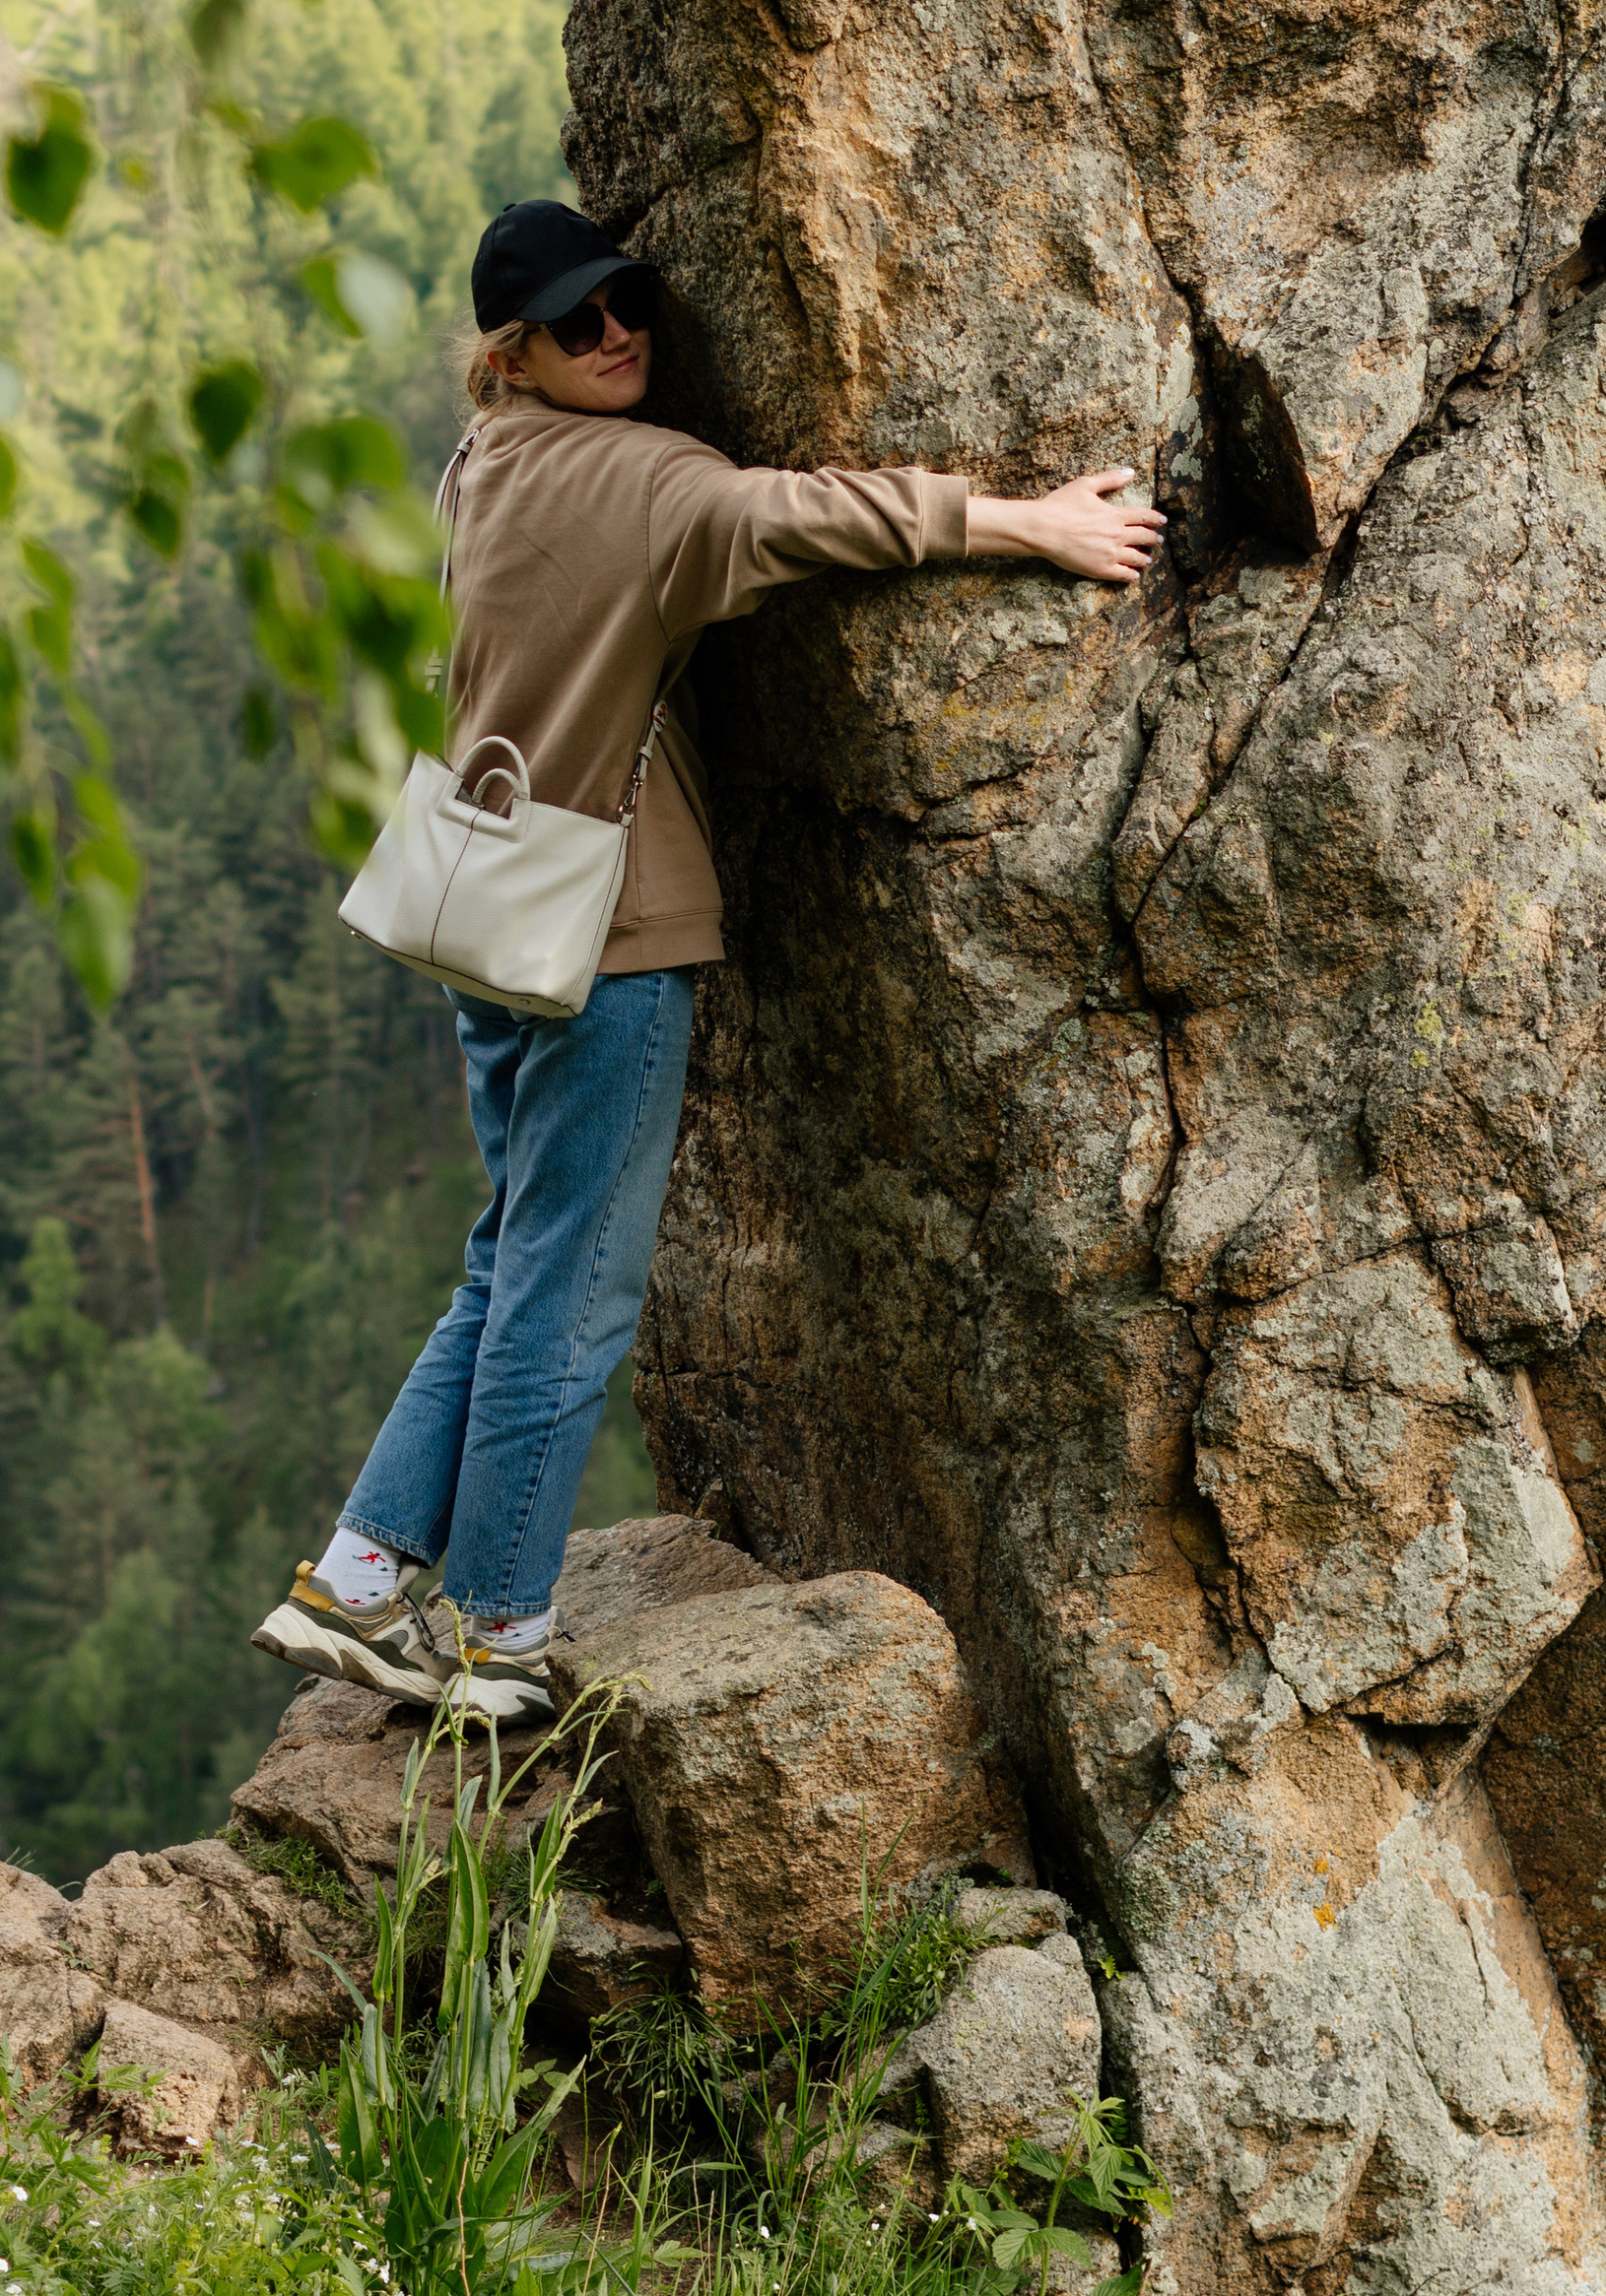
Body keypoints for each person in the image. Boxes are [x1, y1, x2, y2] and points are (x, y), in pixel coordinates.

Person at [251, 199, 1166, 1723]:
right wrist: (1031, 523)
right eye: (578, 321)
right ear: (511, 352)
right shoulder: (644, 481)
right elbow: (795, 516)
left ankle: (357, 1576)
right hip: (604, 938)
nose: (619, 332)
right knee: (570, 1292)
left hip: (486, 916)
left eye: (627, 302)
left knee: (504, 1261)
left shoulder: (482, 463)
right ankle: (493, 1634)